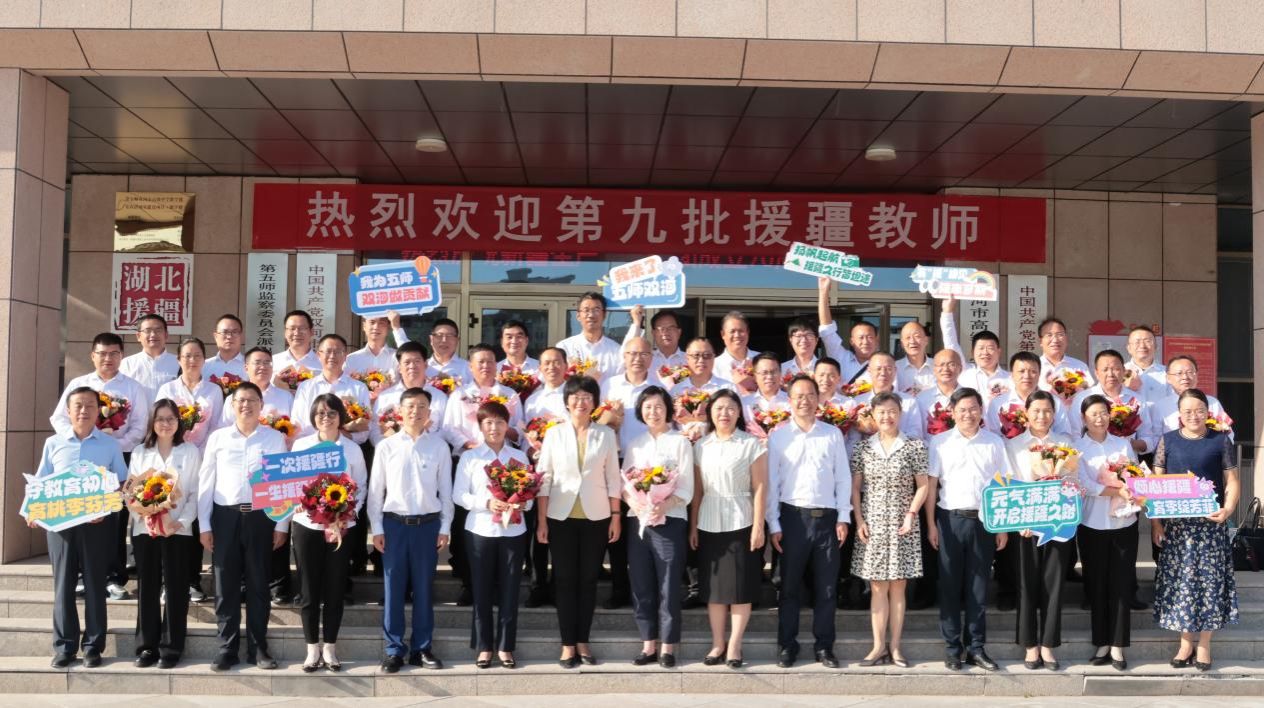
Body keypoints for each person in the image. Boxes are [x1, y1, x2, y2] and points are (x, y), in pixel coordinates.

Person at [51, 332, 151, 602]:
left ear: (122, 356)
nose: (108, 358)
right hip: (80, 459)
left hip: (118, 458)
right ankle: (80, 576)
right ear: (92, 355)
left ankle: (114, 577)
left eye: (114, 353)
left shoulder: (133, 387)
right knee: (78, 516)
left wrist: (111, 446)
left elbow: (140, 426)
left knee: (114, 519)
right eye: (103, 353)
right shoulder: (79, 384)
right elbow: (59, 418)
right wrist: (81, 437)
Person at [197, 383, 288, 671]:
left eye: (252, 400)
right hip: (225, 517)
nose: (246, 405)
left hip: (261, 517)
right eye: (240, 400)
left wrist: (281, 524)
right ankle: (227, 647)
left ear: (261, 405)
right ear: (232, 405)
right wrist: (204, 524)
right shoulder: (218, 438)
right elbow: (206, 481)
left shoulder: (274, 438)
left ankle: (259, 647)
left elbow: (281, 483)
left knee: (259, 583)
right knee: (225, 584)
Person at [37, 386, 128, 669]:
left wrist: (105, 508)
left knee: (95, 584)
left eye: (90, 405)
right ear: (68, 410)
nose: (84, 411)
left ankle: (93, 647)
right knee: (63, 585)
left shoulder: (110, 445)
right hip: (60, 526)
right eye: (78, 405)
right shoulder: (53, 443)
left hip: (97, 525)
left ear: (99, 410)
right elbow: (41, 482)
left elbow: (122, 485)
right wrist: (33, 510)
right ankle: (64, 647)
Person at [535, 375, 622, 668]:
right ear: (566, 401)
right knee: (564, 580)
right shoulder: (554, 434)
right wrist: (542, 521)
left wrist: (616, 517)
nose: (580, 402)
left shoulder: (606, 435)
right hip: (560, 517)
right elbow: (544, 479)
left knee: (588, 581)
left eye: (587, 397)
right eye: (575, 396)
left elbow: (613, 479)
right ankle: (567, 644)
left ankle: (583, 640)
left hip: (596, 517)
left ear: (595, 402)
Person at [1152, 389, 1240, 672]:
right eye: (1187, 411)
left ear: (1207, 412)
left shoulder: (1220, 440)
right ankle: (1185, 643)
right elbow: (1156, 486)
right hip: (1178, 528)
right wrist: (1156, 523)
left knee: (1210, 583)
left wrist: (1228, 509)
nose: (1194, 416)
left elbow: (1232, 480)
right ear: (1179, 414)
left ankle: (1204, 644)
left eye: (1199, 410)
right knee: (1182, 583)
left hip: (1210, 525)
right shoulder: (1167, 441)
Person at [767, 374, 851, 668]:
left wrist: (843, 517)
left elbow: (843, 478)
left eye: (810, 395)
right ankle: (786, 646)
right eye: (798, 396)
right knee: (789, 588)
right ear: (789, 401)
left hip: (827, 520)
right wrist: (774, 524)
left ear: (819, 399)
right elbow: (772, 484)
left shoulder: (832, 434)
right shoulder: (778, 437)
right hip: (792, 519)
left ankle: (824, 647)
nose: (804, 401)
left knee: (826, 589)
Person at [368, 387, 452, 673]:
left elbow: (446, 491)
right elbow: (376, 492)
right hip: (394, 525)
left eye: (422, 406)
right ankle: (393, 650)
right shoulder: (386, 446)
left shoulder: (439, 447)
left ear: (429, 412)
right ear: (400, 411)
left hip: (427, 526)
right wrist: (377, 528)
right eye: (410, 406)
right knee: (393, 589)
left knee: (424, 589)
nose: (416, 411)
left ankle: (421, 648)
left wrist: (445, 526)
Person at [928, 387, 1012, 672]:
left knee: (978, 587)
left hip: (984, 521)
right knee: (950, 586)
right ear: (952, 412)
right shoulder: (939, 442)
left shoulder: (994, 442)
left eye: (973, 408)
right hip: (949, 520)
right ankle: (952, 648)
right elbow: (931, 486)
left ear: (981, 410)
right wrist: (931, 524)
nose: (968, 414)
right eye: (962, 409)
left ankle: (976, 647)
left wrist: (1002, 526)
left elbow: (1003, 484)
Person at [287, 394, 368, 673]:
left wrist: (346, 512)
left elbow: (361, 485)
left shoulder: (352, 449)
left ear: (341, 417)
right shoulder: (302, 446)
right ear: (313, 416)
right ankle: (312, 649)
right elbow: (291, 484)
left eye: (332, 413)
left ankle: (330, 648)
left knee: (335, 588)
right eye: (320, 413)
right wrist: (300, 504)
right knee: (309, 590)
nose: (326, 418)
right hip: (307, 527)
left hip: (340, 528)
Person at [850, 392, 928, 668]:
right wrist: (859, 520)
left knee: (898, 588)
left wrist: (911, 514)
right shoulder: (863, 448)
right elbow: (856, 488)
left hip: (902, 525)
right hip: (872, 525)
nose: (887, 416)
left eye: (892, 411)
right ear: (873, 415)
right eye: (881, 412)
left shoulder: (914, 446)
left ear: (900, 413)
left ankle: (895, 647)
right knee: (877, 588)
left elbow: (923, 486)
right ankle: (877, 646)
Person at [443, 343, 525, 605]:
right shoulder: (460, 395)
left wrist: (504, 428)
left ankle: (501, 585)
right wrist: (470, 445)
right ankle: (469, 583)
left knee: (505, 522)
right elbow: (449, 428)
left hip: (505, 464)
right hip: (470, 462)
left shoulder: (509, 395)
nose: (486, 366)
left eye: (490, 361)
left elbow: (520, 432)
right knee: (468, 526)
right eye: (480, 362)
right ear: (470, 366)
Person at [691, 388, 767, 670]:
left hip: (741, 520)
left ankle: (735, 644)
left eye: (730, 408)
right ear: (710, 413)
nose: (724, 413)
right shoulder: (701, 446)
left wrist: (758, 526)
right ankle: (717, 643)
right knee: (714, 589)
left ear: (739, 413)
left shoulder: (751, 444)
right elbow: (698, 492)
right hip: (709, 520)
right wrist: (693, 526)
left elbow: (760, 487)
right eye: (719, 408)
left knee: (740, 587)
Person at [453, 401, 532, 670]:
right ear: (480, 426)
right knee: (481, 589)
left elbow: (530, 496)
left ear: (507, 425)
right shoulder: (470, 458)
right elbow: (458, 495)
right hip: (480, 530)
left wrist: (521, 503)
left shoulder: (519, 457)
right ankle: (484, 646)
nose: (494, 427)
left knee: (510, 590)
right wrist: (487, 503)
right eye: (488, 422)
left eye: (499, 422)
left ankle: (506, 646)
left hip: (514, 531)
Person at [623, 386, 694, 668]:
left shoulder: (680, 442)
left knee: (669, 585)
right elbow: (625, 484)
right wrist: (636, 502)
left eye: (659, 406)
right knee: (641, 584)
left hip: (670, 521)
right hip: (639, 522)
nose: (653, 412)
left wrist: (664, 505)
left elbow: (686, 486)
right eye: (648, 407)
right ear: (640, 411)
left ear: (668, 410)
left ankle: (668, 647)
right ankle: (648, 644)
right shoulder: (634, 444)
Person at [127, 398, 201, 669]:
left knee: (176, 587)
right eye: (160, 419)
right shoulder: (140, 452)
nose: (165, 424)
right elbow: (131, 491)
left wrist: (180, 522)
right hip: (144, 530)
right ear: (152, 423)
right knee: (147, 586)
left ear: (179, 422)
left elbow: (195, 492)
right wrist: (147, 516)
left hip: (177, 531)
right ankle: (146, 646)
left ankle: (171, 647)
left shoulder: (190, 452)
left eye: (171, 418)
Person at [1006, 390, 1076, 670]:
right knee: (1026, 585)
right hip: (1025, 526)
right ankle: (1029, 645)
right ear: (1026, 414)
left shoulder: (1065, 444)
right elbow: (1009, 484)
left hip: (1058, 524)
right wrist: (1020, 520)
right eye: (1036, 410)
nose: (1041, 416)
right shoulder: (1014, 446)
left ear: (1054, 414)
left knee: (1054, 585)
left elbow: (1074, 481)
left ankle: (1048, 645)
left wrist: (1061, 482)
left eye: (1047, 410)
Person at [1074, 394, 1139, 671]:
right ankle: (1101, 642)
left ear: (1110, 416)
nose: (1099, 418)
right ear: (1083, 418)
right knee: (1097, 585)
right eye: (1093, 414)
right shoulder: (1077, 447)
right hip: (1092, 524)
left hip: (1124, 523)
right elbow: (1084, 484)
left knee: (1121, 585)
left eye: (1103, 413)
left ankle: (1118, 646)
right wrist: (1116, 491)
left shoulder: (1122, 444)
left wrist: (1129, 487)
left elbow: (1136, 475)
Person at [599, 337, 655, 611]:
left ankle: (647, 590)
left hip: (649, 467)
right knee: (617, 531)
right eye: (632, 353)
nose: (637, 358)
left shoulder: (658, 387)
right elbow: (596, 421)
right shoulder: (609, 386)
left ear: (651, 358)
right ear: (624, 356)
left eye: (643, 354)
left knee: (647, 529)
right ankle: (620, 588)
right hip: (616, 463)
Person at [521, 346, 568, 607]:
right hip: (539, 470)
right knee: (536, 531)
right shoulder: (533, 400)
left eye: (557, 362)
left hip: (567, 472)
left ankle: (560, 586)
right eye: (546, 363)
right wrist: (532, 449)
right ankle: (537, 585)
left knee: (560, 531)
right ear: (539, 369)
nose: (552, 367)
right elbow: (525, 437)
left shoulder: (574, 395)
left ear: (566, 366)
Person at [1065, 349, 1157, 456]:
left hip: (1127, 460)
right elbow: (1074, 434)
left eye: (1116, 369)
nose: (1110, 374)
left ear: (1124, 371)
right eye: (1105, 370)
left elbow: (1148, 438)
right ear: (1096, 373)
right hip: (1091, 458)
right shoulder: (1082, 398)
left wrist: (1127, 444)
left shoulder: (1137, 400)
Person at [290, 334, 373, 443]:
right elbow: (297, 424)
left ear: (345, 356)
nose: (332, 356)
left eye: (338, 352)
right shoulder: (305, 387)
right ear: (319, 355)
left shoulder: (359, 388)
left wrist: (341, 436)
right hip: (312, 448)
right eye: (328, 351)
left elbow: (365, 430)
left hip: (346, 447)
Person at [155, 337, 225, 450]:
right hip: (172, 450)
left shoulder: (214, 390)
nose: (192, 360)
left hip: (204, 452)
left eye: (197, 355)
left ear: (204, 359)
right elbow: (159, 423)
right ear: (178, 360)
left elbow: (215, 426)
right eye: (187, 356)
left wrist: (201, 452)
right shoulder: (167, 389)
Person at [941, 299, 1011, 407]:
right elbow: (951, 343)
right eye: (981, 348)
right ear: (972, 352)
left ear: (999, 351)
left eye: (990, 348)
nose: (985, 352)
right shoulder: (964, 372)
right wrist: (947, 312)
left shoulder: (1011, 378)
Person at [987, 351, 1070, 438]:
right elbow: (993, 436)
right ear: (1012, 374)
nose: (1027, 376)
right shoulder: (998, 403)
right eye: (1021, 371)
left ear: (1039, 374)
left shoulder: (1054, 401)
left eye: (1033, 371)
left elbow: (1064, 434)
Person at [1151, 355, 1234, 440]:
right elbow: (1155, 439)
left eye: (1190, 372)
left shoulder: (1212, 403)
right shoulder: (1160, 406)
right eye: (1179, 373)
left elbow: (1228, 433)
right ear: (1168, 378)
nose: (1185, 377)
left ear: (1197, 375)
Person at [218, 347, 295, 427]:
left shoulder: (286, 397)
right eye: (257, 363)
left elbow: (295, 427)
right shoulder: (233, 399)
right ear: (246, 368)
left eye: (267, 363)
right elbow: (224, 428)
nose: (263, 367)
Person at [817, 277, 875, 382]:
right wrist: (823, 292)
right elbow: (827, 331)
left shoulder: (883, 364)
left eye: (870, 337)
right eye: (861, 337)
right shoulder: (842, 357)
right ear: (852, 341)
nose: (865, 341)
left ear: (876, 340)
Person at [556, 292, 623, 382]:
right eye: (586, 310)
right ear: (578, 316)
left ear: (604, 315)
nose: (591, 315)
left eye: (596, 310)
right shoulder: (564, 347)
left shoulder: (616, 350)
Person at [346, 312, 402, 402]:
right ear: (364, 326)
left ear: (388, 327)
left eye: (381, 323)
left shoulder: (398, 357)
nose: (376, 327)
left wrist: (396, 327)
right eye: (372, 322)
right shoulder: (351, 359)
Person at [626, 305, 687, 388]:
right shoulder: (645, 359)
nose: (665, 332)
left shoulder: (690, 360)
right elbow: (627, 353)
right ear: (653, 333)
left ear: (679, 332)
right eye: (661, 329)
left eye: (671, 328)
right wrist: (637, 322)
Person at [120, 313, 181, 395]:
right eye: (147, 331)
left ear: (166, 335)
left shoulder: (179, 362)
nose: (153, 335)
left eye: (158, 330)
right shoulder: (127, 364)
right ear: (138, 336)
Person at [915, 349, 963, 440]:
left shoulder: (970, 397)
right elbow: (917, 431)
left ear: (960, 368)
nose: (945, 369)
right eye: (941, 365)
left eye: (951, 364)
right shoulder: (921, 398)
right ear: (934, 369)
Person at [1037, 317, 1095, 393]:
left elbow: (1089, 394)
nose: (1055, 340)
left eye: (1060, 334)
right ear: (1040, 341)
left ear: (1066, 339)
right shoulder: (1033, 368)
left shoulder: (1080, 367)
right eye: (1049, 335)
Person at [743, 352, 791, 441]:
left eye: (773, 372)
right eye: (764, 372)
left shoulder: (791, 401)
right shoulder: (745, 403)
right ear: (755, 376)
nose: (769, 376)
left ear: (780, 374)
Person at [272, 310, 321, 391]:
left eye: (302, 328)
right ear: (285, 332)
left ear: (312, 332)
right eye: (292, 328)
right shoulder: (273, 361)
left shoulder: (322, 362)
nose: (297, 333)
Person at [713, 311, 759, 393]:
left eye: (741, 331)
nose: (737, 335)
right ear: (723, 334)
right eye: (732, 331)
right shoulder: (713, 366)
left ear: (748, 332)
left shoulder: (761, 360)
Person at [1123, 325, 1166, 403]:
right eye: (1137, 342)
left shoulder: (1167, 373)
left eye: (1147, 341)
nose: (1142, 346)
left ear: (1156, 347)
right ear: (1129, 348)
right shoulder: (1120, 372)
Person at [424, 318, 473, 384]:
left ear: (457, 340)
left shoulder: (468, 368)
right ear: (431, 339)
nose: (444, 340)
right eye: (439, 335)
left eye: (449, 336)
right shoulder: (422, 368)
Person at [894, 320, 934, 398]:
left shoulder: (938, 367)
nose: (912, 341)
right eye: (908, 337)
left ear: (926, 340)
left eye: (917, 336)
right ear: (902, 344)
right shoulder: (894, 368)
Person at [204, 314, 247, 381]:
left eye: (234, 332)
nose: (229, 336)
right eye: (224, 332)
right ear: (215, 336)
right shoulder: (204, 366)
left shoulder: (250, 366)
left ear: (241, 336)